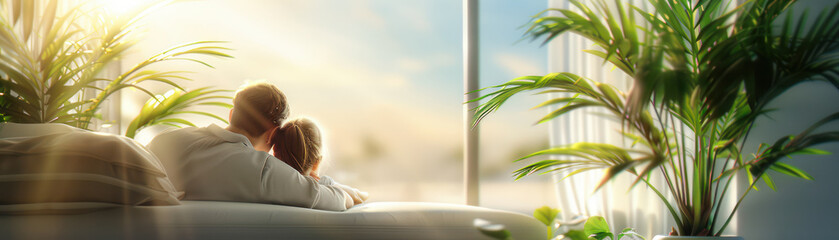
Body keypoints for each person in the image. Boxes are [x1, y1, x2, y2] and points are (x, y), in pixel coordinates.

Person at [147, 82, 357, 211]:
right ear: (273, 134)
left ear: (231, 115)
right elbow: (329, 198)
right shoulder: (262, 170)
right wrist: (343, 191)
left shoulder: (166, 140)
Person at [269, 117, 368, 205]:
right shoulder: (318, 193)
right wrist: (326, 182)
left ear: (275, 154)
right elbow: (356, 198)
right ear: (316, 163)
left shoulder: (267, 186)